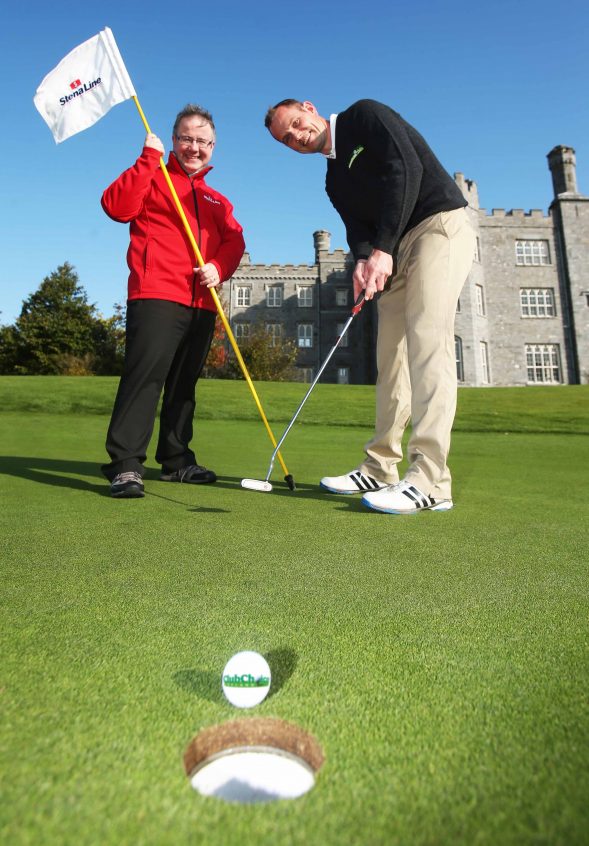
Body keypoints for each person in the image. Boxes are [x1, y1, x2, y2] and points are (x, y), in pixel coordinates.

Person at [265, 98, 475, 515]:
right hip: (393, 250)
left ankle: (431, 479)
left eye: (295, 124)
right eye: (287, 140)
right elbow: (357, 226)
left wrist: (381, 249)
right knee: (390, 356)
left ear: (309, 108)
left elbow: (406, 168)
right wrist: (364, 260)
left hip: (438, 226)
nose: (297, 137)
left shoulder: (363, 116)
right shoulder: (332, 179)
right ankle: (381, 466)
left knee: (427, 342)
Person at [101, 104, 245, 498]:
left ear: (213, 146)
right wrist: (148, 157)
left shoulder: (219, 201)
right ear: (174, 140)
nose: (193, 147)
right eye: (185, 138)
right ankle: (126, 465)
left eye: (201, 141)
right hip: (156, 292)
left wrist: (219, 267)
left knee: (184, 385)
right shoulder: (154, 175)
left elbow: (235, 242)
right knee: (144, 378)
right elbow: (116, 207)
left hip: (201, 302)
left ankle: (176, 459)